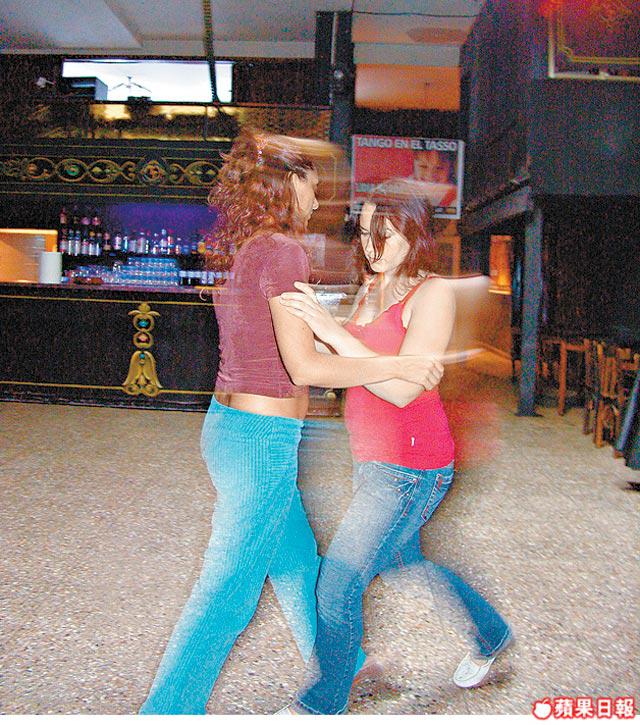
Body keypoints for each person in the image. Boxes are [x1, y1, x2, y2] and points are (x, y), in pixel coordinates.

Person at [139, 133, 445, 714]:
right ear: (288, 186)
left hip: (232, 429)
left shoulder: (251, 245)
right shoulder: (283, 250)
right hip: (261, 439)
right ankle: (168, 711)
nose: (318, 196)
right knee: (229, 590)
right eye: (311, 183)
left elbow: (279, 348)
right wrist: (398, 364)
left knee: (298, 561)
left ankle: (347, 666)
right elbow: (303, 366)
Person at [277, 179, 513, 715]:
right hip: (371, 457)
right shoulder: (372, 287)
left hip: (410, 467)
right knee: (408, 556)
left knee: (337, 583)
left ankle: (323, 702)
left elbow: (404, 390)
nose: (371, 247)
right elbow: (354, 370)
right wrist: (310, 330)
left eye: (383, 234)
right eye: (364, 234)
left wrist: (334, 333)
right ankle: (493, 634)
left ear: (415, 234)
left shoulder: (432, 294)